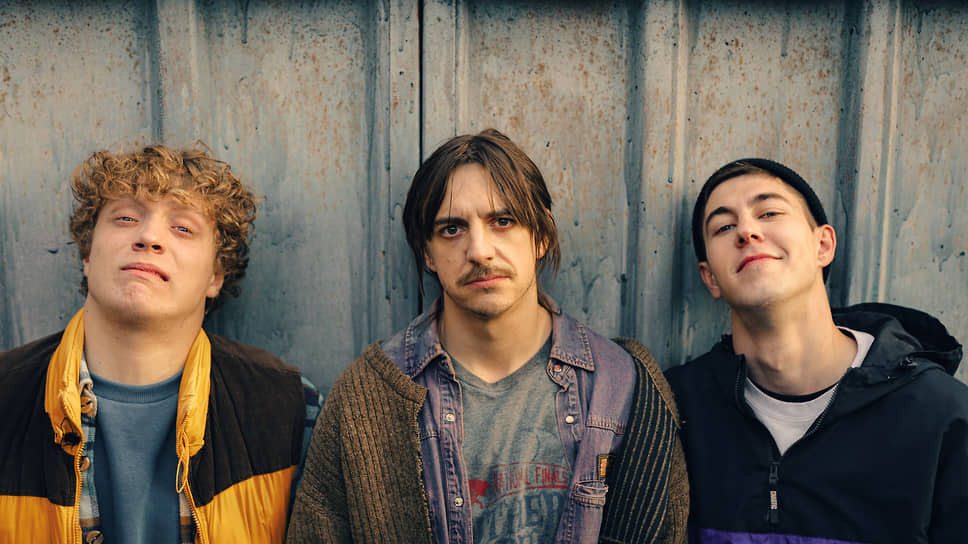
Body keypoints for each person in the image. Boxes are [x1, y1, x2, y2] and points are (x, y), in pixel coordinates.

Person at [288, 129, 687, 543]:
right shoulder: (367, 398)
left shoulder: (623, 387)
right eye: (452, 229)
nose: (479, 250)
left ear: (542, 235)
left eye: (503, 221)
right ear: (427, 253)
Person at [0, 144, 320, 543]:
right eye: (126, 218)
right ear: (87, 253)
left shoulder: (289, 408)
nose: (149, 236)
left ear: (215, 276)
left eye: (183, 228)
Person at [664, 158, 968, 543]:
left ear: (822, 245)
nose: (747, 231)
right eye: (724, 226)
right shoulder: (674, 409)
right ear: (711, 278)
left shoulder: (942, 416)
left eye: (769, 212)